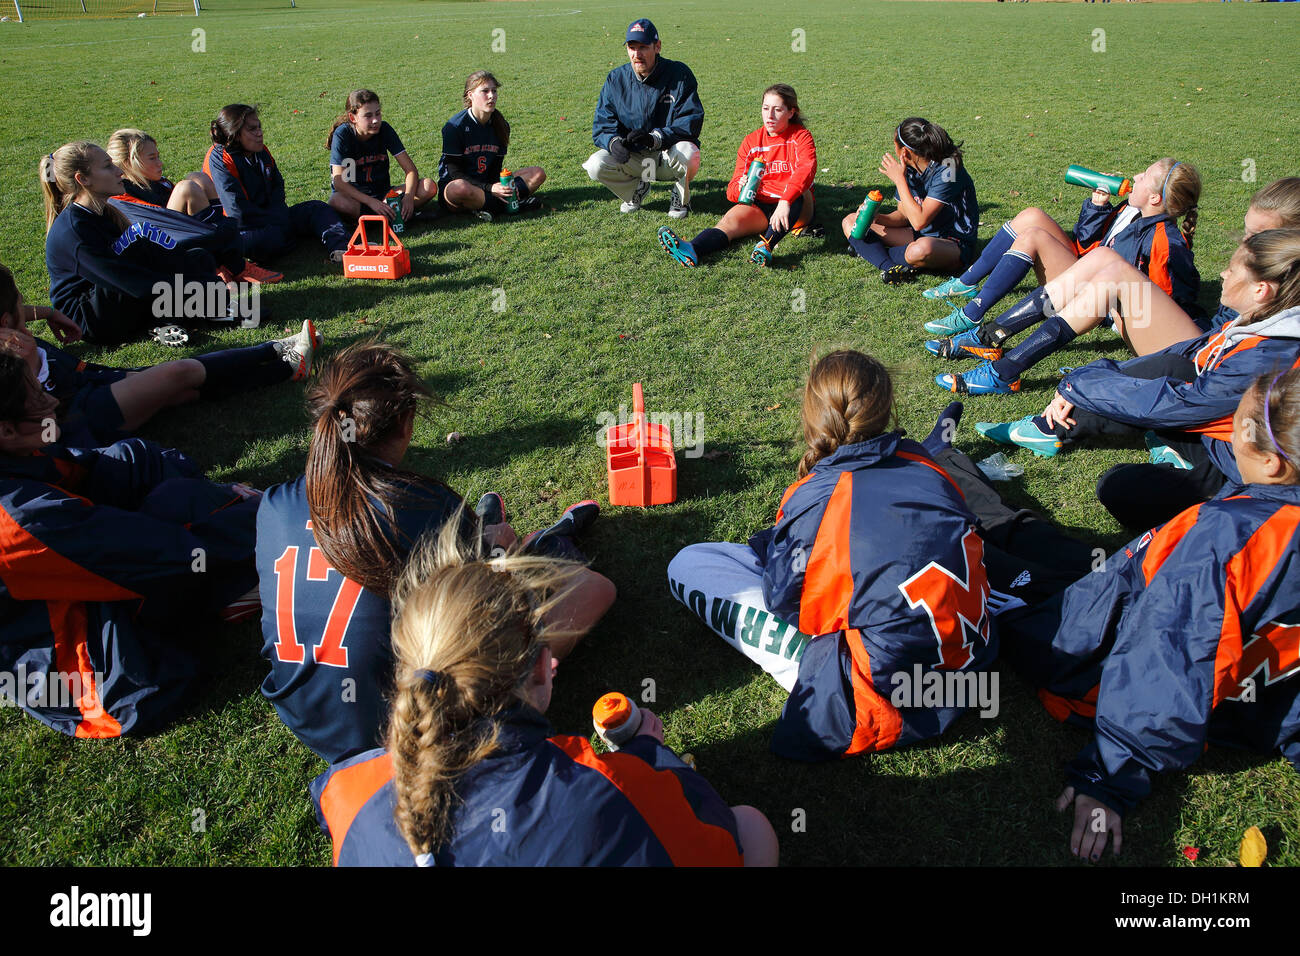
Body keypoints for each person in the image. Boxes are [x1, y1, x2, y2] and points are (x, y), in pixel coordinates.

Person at [311, 518, 778, 865]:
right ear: (542, 665)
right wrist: (653, 756)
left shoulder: (350, 787)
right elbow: (713, 835)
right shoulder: (610, 791)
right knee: (752, 829)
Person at [256, 342, 616, 763]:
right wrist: (496, 550)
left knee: (483, 554)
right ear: (406, 421)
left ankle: (509, 536)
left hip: (306, 718)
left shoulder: (274, 503)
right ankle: (546, 544)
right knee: (592, 588)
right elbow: (480, 603)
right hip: (414, 726)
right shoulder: (422, 506)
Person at [1001, 369, 1300, 861]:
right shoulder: (1245, 528)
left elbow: (1167, 652)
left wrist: (1111, 776)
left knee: (996, 560)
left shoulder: (1226, 541)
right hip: (1218, 667)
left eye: (1234, 427)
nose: (1224, 434)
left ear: (1269, 462)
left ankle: (940, 475)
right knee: (1051, 548)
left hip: (1093, 644)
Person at [667, 351, 999, 762]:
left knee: (689, 563)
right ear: (886, 409)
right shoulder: (925, 463)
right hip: (972, 670)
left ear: (811, 417)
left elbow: (787, 603)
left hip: (889, 701)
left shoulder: (820, 497)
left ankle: (822, 673)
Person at [0, 349, 261, 738]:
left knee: (135, 462)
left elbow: (96, 465)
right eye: (38, 398)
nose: (52, 400)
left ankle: (235, 566)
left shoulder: (17, 454)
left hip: (74, 576)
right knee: (179, 520)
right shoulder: (19, 520)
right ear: (5, 430)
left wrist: (218, 490)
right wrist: (277, 511)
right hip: (102, 673)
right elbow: (164, 551)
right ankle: (238, 583)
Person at [0, 262, 317, 449]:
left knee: (184, 392)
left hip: (89, 381)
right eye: (20, 307)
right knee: (176, 375)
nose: (25, 311)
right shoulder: (14, 357)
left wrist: (46, 312)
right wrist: (30, 364)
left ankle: (288, 365)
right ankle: (277, 352)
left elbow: (15, 311)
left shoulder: (12, 331)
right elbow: (41, 422)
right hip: (78, 415)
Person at [922, 158, 1200, 340]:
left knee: (1032, 237)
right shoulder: (1130, 209)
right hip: (1088, 270)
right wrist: (1097, 206)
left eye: (1145, 176)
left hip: (1100, 302)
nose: (1136, 175)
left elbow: (1169, 299)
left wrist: (1124, 316)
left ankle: (973, 313)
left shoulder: (1167, 240)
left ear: (1154, 197)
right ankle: (965, 283)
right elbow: (1086, 245)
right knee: (1031, 215)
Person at [41, 142, 239, 344]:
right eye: (108, 166)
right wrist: (196, 288)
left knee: (197, 258)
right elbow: (127, 282)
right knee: (184, 282)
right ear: (82, 179)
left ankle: (175, 319)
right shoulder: (75, 231)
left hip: (122, 291)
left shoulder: (105, 213)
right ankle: (163, 323)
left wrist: (195, 270)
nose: (119, 172)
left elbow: (153, 257)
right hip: (93, 316)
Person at [657, 84, 814, 268]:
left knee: (799, 194)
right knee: (728, 223)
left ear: (791, 112)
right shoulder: (751, 141)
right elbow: (731, 192)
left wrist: (785, 201)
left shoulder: (801, 137)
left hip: (796, 207)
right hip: (761, 206)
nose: (769, 116)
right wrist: (740, 186)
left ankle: (765, 246)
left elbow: (806, 170)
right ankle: (692, 249)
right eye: (765, 108)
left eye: (777, 110)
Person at [107, 128, 282, 285]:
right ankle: (229, 265)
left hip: (181, 236)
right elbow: (155, 220)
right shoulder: (120, 195)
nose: (160, 163)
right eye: (152, 158)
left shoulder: (157, 184)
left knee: (198, 177)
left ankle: (226, 263)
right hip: (162, 248)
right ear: (128, 163)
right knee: (186, 188)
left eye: (158, 156)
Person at [582, 18, 703, 219]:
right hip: (636, 159)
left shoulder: (679, 74)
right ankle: (636, 189)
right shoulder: (616, 79)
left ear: (657, 47)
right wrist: (613, 144)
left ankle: (680, 197)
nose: (637, 54)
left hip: (667, 157)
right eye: (632, 47)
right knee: (595, 165)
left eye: (643, 47)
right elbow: (602, 125)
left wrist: (655, 138)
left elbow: (691, 121)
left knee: (689, 152)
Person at [204, 104, 350, 264]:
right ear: (235, 134)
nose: (260, 133)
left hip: (273, 218)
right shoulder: (220, 158)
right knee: (265, 239)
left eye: (259, 127)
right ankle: (284, 238)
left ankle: (341, 248)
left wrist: (279, 216)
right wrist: (276, 220)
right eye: (252, 129)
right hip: (243, 228)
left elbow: (277, 187)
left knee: (317, 208)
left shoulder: (260, 150)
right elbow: (237, 212)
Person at [842, 118, 978, 284]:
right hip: (918, 235)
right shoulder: (909, 168)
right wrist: (875, 218)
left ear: (904, 152)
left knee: (921, 249)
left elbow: (919, 221)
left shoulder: (948, 168)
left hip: (952, 244)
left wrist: (899, 180)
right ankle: (890, 267)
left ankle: (870, 251)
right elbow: (903, 216)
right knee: (850, 221)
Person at [437, 72, 545, 221]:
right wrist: (490, 188)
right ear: (470, 95)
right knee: (459, 188)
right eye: (485, 91)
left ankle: (494, 204)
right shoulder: (455, 127)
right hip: (457, 189)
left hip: (488, 186)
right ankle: (512, 205)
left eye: (494, 91)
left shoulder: (501, 125)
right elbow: (454, 173)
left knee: (537, 173)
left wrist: (502, 187)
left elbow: (495, 167)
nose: (491, 96)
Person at [327, 90, 437, 224]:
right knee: (337, 201)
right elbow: (339, 183)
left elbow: (411, 170)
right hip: (356, 199)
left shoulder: (384, 129)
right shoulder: (343, 135)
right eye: (368, 115)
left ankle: (378, 218)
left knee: (428, 186)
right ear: (352, 117)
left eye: (378, 113)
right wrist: (371, 202)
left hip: (383, 195)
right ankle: (393, 215)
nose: (375, 120)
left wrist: (408, 198)